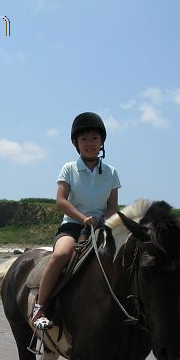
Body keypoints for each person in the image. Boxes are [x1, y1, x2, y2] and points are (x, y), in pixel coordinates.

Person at [32, 112, 121, 329]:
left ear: (102, 143)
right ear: (76, 143)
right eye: (84, 139)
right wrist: (84, 218)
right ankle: (39, 308)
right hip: (72, 226)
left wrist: (104, 222)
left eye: (94, 139)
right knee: (61, 255)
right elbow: (61, 201)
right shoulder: (69, 168)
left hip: (101, 228)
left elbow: (112, 206)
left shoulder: (111, 173)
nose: (90, 144)